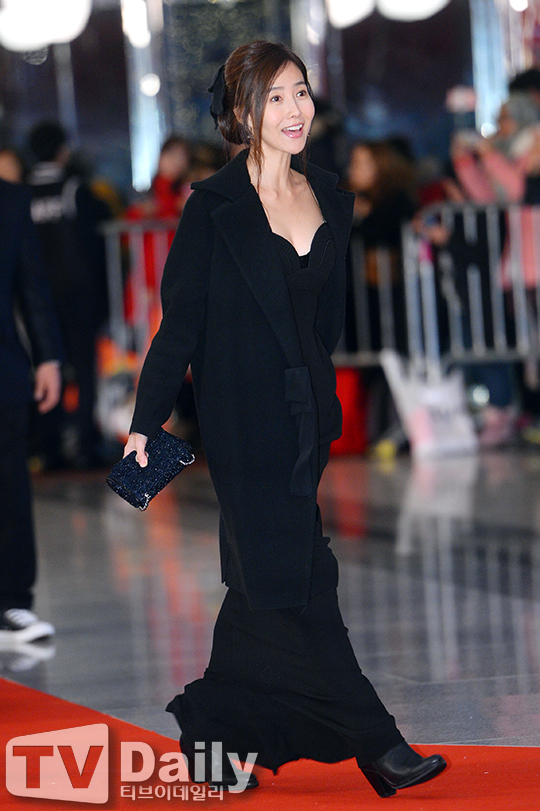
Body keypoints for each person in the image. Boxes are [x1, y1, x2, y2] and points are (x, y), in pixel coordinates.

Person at [124, 41, 446, 797]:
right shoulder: (214, 207)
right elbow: (180, 325)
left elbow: (325, 320)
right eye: (275, 97)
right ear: (243, 113)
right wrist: (147, 419)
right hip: (241, 420)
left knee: (260, 585)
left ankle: (212, 739)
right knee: (305, 576)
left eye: (300, 91)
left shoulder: (330, 194)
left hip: (308, 416)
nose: (295, 109)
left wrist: (317, 396)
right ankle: (380, 744)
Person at [0, 177, 62, 642]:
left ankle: (12, 603)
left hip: (5, 368)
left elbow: (32, 283)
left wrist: (48, 357)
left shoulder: (11, 200)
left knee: (10, 490)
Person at [27, 121, 110, 469]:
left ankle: (48, 444)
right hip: (77, 293)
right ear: (62, 151)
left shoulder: (23, 193)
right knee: (84, 368)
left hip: (38, 297)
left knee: (48, 366)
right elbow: (92, 242)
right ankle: (84, 443)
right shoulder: (73, 188)